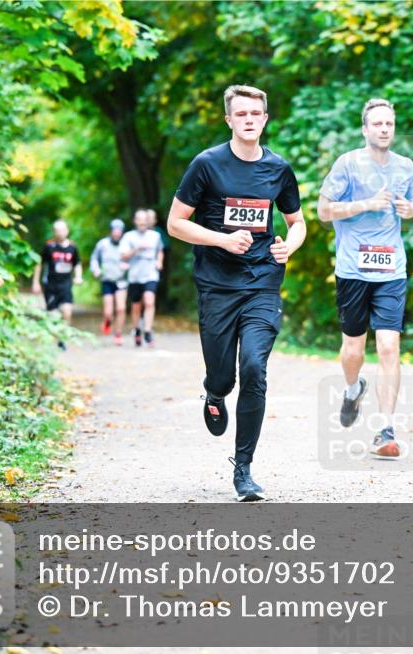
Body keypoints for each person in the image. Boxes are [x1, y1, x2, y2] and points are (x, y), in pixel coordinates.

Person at [166, 84, 306, 501]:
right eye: (241, 113)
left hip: (263, 280)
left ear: (265, 119)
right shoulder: (207, 165)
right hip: (217, 284)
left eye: (256, 113)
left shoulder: (278, 169)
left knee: (255, 368)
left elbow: (297, 222)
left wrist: (289, 245)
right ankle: (214, 391)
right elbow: (175, 223)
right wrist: (221, 240)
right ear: (229, 119)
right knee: (225, 374)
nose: (249, 119)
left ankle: (243, 469)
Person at [316, 98, 413, 459]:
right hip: (353, 270)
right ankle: (351, 387)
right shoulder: (347, 164)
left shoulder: (405, 166)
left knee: (389, 346)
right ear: (365, 129)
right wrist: (365, 204)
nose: (384, 129)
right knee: (354, 351)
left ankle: (385, 428)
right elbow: (323, 211)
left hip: (391, 270)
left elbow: (410, 205)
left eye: (389, 123)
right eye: (377, 124)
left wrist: (410, 209)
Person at [32, 219, 83, 351]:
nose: (60, 233)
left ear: (67, 231)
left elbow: (77, 263)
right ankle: (55, 338)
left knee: (67, 312)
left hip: (66, 284)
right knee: (53, 316)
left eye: (62, 230)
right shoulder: (49, 246)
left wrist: (78, 276)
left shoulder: (73, 247)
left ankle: (62, 337)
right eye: (57, 230)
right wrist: (35, 282)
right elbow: (39, 263)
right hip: (50, 285)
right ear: (54, 232)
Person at [120, 209, 164, 348]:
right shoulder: (128, 237)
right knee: (136, 306)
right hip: (134, 276)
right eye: (139, 219)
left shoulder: (155, 236)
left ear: (148, 221)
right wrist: (136, 249)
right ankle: (137, 329)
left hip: (150, 274)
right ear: (135, 221)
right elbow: (123, 256)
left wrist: (159, 261)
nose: (142, 222)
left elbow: (160, 250)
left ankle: (148, 331)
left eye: (145, 219)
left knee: (149, 301)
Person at [90, 218, 129, 345]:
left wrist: (128, 265)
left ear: (122, 232)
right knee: (108, 312)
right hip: (107, 280)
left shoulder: (126, 244)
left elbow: (134, 258)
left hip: (121, 280)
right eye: (114, 231)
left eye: (119, 232)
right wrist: (95, 269)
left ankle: (118, 334)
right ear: (111, 231)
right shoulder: (103, 244)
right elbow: (94, 258)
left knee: (121, 308)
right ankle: (107, 322)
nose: (117, 234)